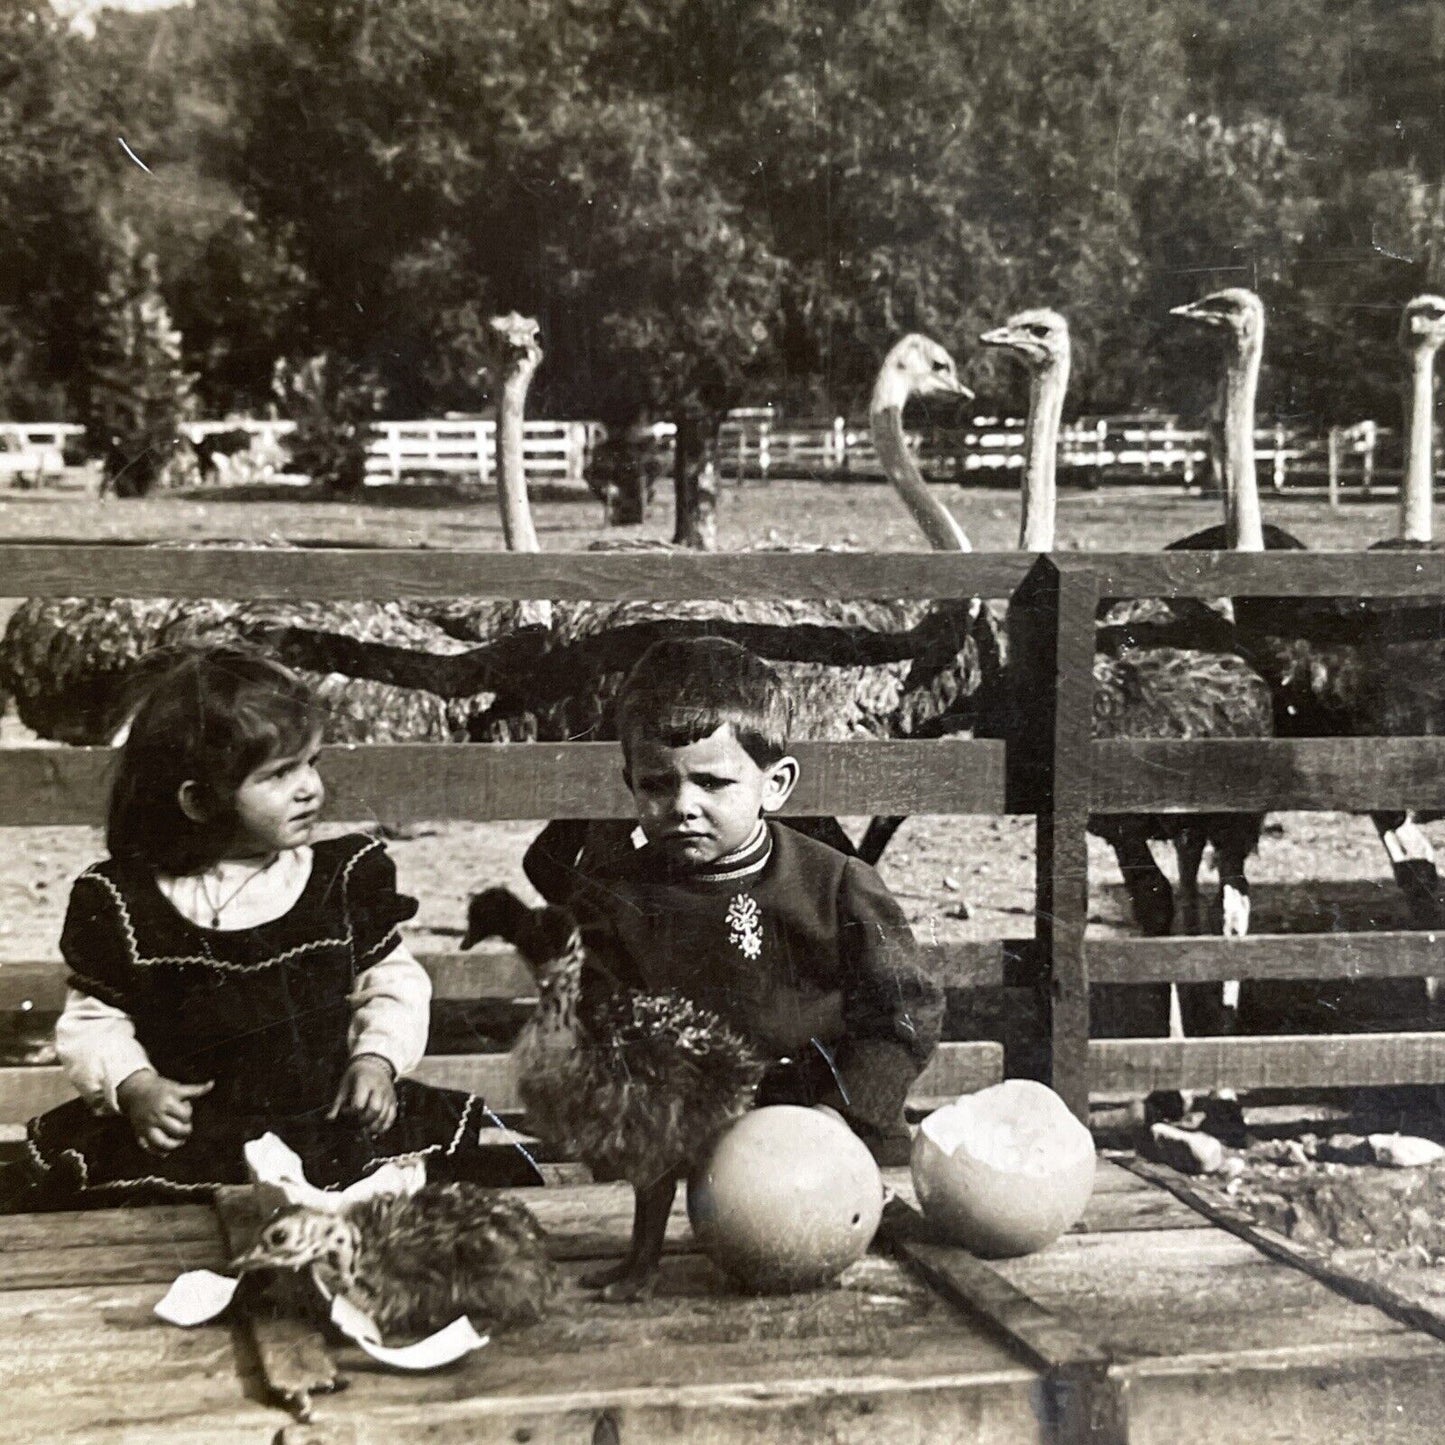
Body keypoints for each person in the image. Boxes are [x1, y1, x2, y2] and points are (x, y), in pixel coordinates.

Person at [3, 647, 541, 1211]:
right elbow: (95, 1021)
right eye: (280, 774)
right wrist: (135, 1084)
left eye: (312, 763)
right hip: (197, 1138)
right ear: (199, 800)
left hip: (329, 1122)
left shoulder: (338, 880)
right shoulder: (128, 901)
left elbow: (393, 985)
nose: (309, 787)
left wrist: (375, 1059)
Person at [564, 635, 943, 1166]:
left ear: (775, 785)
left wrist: (844, 1114)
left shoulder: (835, 886)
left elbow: (904, 1013)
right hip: (681, 1149)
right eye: (656, 784)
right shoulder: (615, 900)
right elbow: (601, 1030)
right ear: (630, 783)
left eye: (713, 782)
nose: (683, 806)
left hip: (832, 1139)